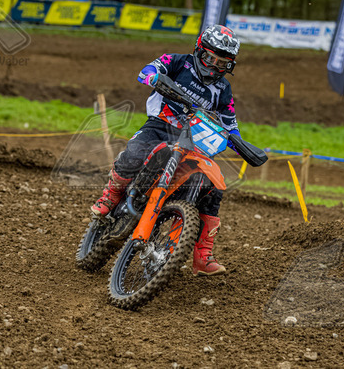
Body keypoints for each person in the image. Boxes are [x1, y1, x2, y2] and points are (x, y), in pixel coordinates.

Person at [90, 24, 242, 276]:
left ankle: (202, 254)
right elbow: (148, 70)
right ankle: (111, 195)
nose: (214, 66)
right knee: (134, 153)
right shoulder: (178, 62)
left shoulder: (223, 89)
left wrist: (240, 144)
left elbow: (230, 123)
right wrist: (153, 77)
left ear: (230, 65)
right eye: (210, 59)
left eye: (222, 63)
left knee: (213, 189)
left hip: (194, 140)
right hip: (161, 125)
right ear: (199, 50)